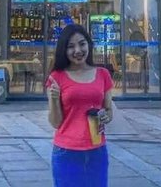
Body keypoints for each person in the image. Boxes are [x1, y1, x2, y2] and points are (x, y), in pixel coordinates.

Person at [46, 24, 113, 187]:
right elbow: (55, 123)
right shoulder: (56, 77)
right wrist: (54, 99)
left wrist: (106, 115)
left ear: (89, 44)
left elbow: (109, 110)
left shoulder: (103, 74)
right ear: (64, 50)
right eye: (71, 46)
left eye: (82, 44)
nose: (78, 50)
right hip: (66, 151)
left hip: (97, 150)